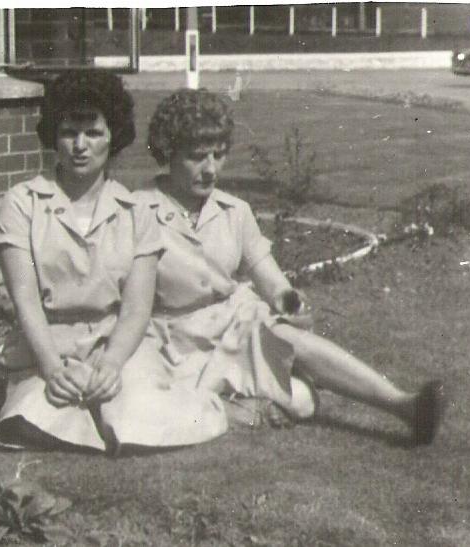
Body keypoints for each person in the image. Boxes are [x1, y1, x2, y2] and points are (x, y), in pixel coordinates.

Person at [139, 88, 445, 445]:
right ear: (168, 153)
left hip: (235, 328)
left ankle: (406, 406)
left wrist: (288, 299)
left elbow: (269, 277)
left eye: (218, 156)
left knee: (289, 341)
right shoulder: (138, 211)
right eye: (196, 157)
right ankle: (248, 406)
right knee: (302, 400)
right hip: (178, 346)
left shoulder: (234, 211)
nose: (210, 170)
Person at [0, 72, 226, 453]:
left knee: (135, 422)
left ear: (113, 135)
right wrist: (51, 368)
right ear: (54, 136)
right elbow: (25, 300)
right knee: (29, 421)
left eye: (94, 133)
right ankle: (74, 409)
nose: (80, 146)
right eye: (69, 132)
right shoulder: (23, 203)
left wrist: (114, 362)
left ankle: (142, 404)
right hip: (47, 346)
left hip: (117, 344)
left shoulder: (137, 210)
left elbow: (136, 308)